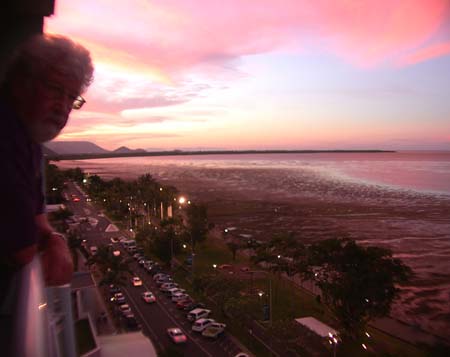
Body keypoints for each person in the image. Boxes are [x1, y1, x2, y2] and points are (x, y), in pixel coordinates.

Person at [0, 33, 94, 295]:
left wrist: (54, 238)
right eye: (55, 90)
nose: (63, 107)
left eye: (71, 98)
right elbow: (22, 248)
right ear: (21, 83)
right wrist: (49, 240)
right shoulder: (6, 136)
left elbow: (38, 222)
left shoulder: (30, 141)